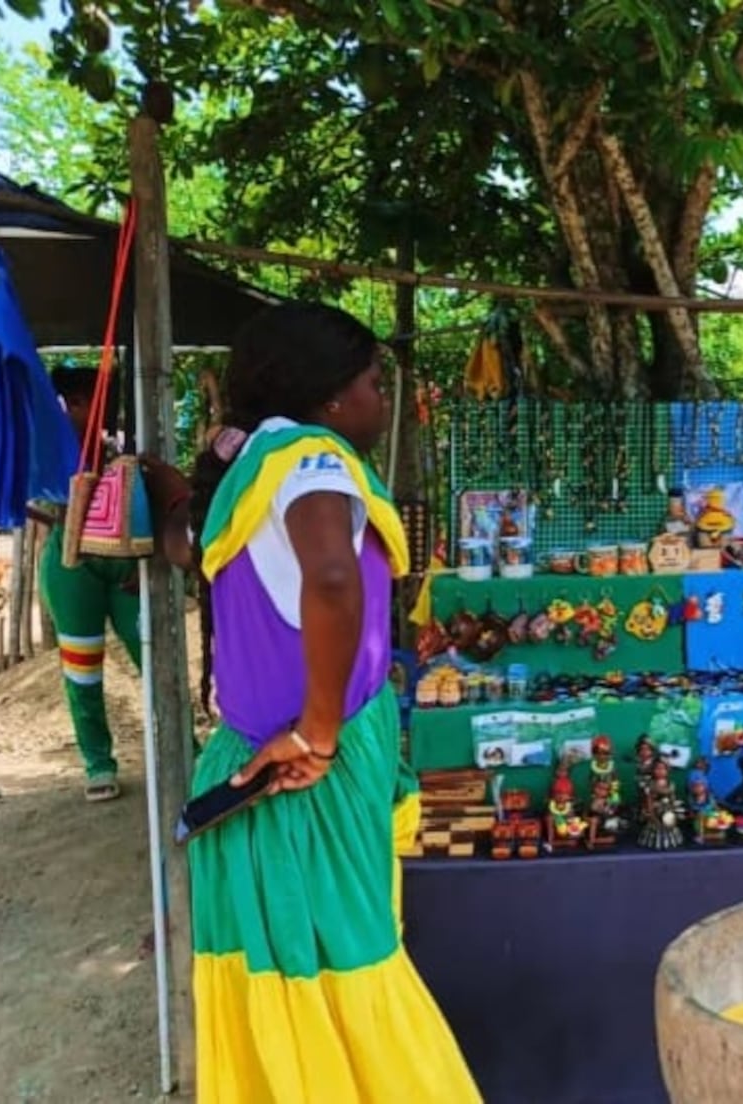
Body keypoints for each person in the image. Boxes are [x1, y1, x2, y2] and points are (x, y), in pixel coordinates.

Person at [171, 302, 479, 1103]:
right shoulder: (313, 458)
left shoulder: (257, 463)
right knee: (348, 954)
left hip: (276, 745)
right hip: (307, 759)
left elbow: (194, 547)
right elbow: (332, 579)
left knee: (301, 957)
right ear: (333, 397)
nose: (385, 400)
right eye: (377, 382)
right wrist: (319, 731)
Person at [37, 364, 142, 803]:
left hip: (125, 563)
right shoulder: (50, 444)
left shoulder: (119, 444)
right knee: (81, 670)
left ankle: (182, 748)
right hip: (71, 560)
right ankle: (98, 762)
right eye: (81, 403)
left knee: (152, 653)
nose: (85, 411)